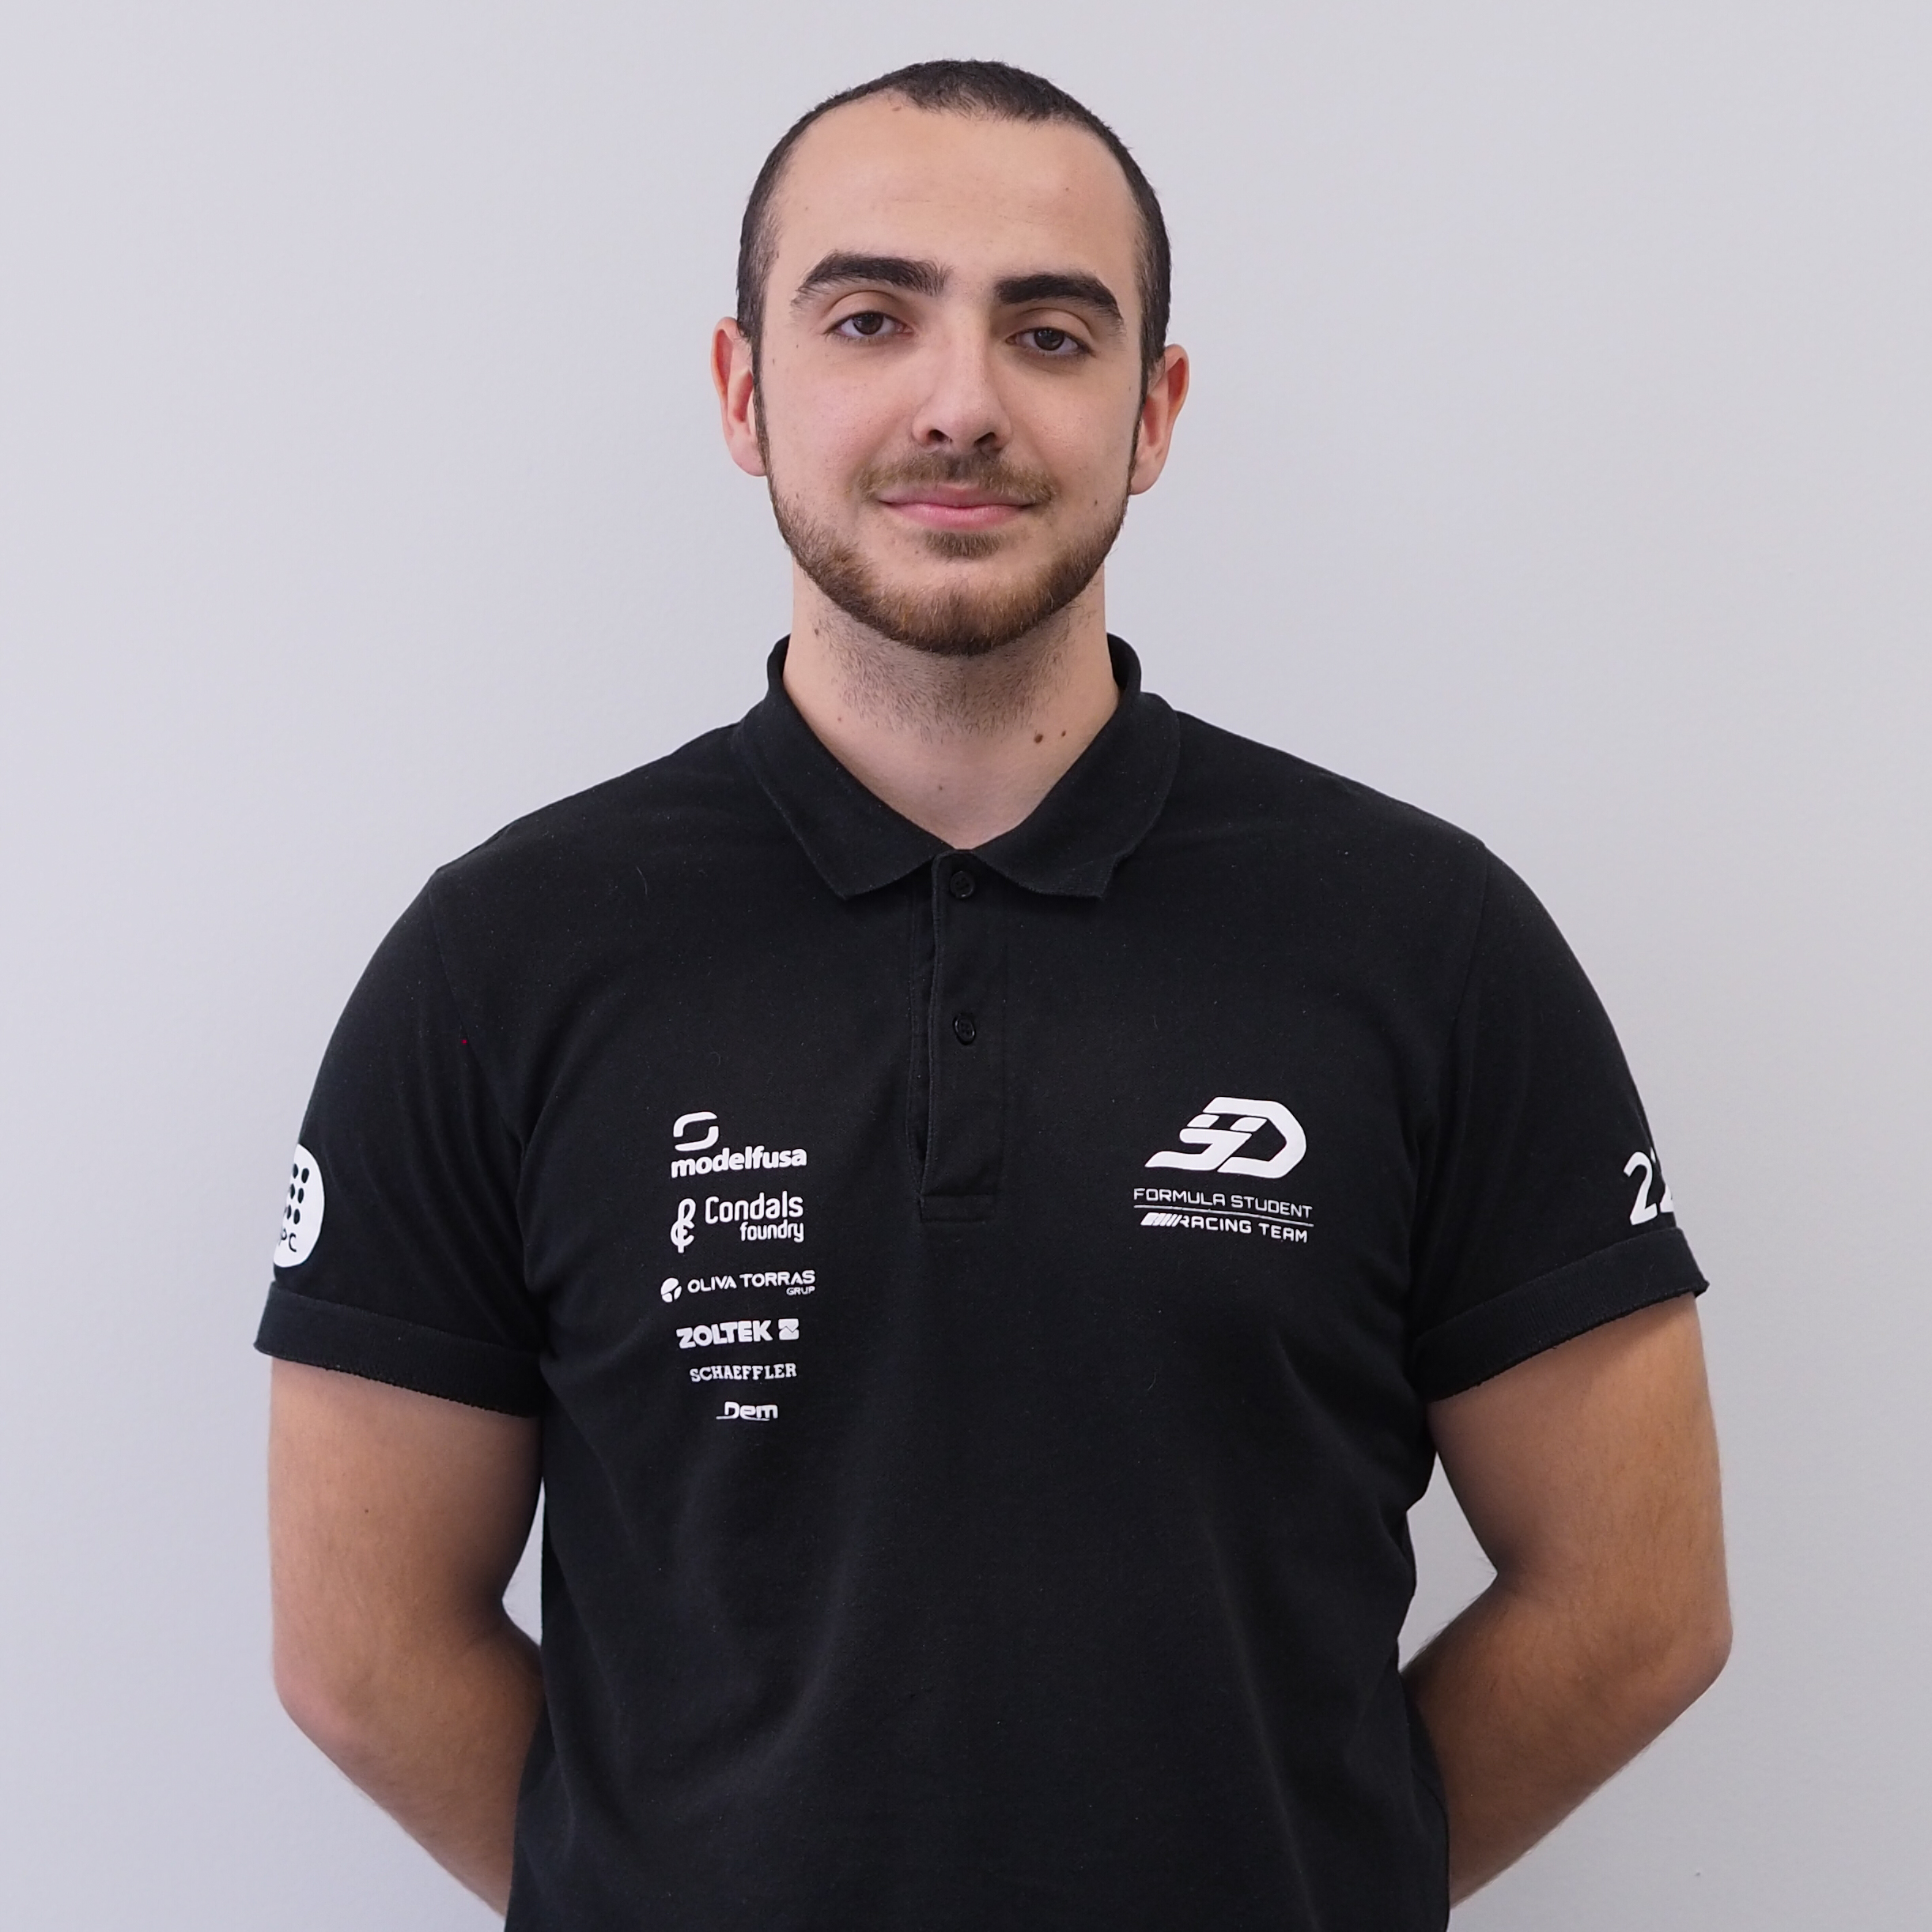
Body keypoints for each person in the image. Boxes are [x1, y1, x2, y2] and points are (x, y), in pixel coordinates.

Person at [259, 59, 1729, 1930]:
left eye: (1048, 332)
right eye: (870, 318)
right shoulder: (502, 959)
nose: (960, 402)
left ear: (1152, 411)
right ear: (742, 389)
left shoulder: (1427, 944)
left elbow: (1636, 1601)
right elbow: (361, 1646)